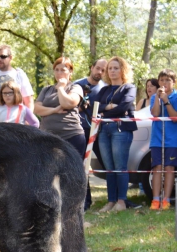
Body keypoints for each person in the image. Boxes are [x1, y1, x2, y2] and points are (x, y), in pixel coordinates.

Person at [96, 56, 137, 213]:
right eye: (110, 68)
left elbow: (124, 107)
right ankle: (111, 201)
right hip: (103, 130)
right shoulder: (104, 90)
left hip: (121, 129)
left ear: (123, 70)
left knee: (120, 167)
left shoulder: (129, 88)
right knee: (109, 168)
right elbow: (96, 107)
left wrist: (105, 110)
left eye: (116, 68)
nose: (112, 71)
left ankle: (121, 201)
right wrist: (107, 107)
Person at [75, 58, 108, 211]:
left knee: (108, 164)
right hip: (80, 131)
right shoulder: (77, 85)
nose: (100, 72)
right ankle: (85, 201)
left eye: (103, 70)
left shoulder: (106, 88)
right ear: (92, 67)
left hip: (99, 132)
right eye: (98, 68)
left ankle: (115, 199)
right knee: (81, 166)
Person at [34, 57, 85, 156]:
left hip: (71, 136)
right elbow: (37, 109)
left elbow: (67, 103)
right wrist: (55, 110)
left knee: (70, 170)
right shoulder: (47, 90)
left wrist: (61, 88)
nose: (59, 73)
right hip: (48, 138)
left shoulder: (75, 87)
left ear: (70, 71)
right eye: (56, 70)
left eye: (63, 70)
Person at [149, 69, 177, 210]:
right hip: (157, 139)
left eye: (168, 80)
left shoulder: (176, 97)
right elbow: (155, 114)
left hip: (172, 140)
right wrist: (159, 99)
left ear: (174, 82)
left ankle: (166, 199)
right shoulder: (155, 97)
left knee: (169, 168)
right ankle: (155, 199)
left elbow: (174, 117)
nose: (164, 83)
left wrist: (166, 101)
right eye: (162, 80)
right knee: (157, 168)